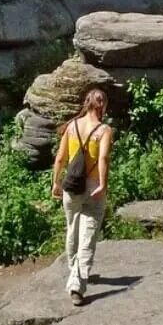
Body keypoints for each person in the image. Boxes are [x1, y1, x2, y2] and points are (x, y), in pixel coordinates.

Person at [50, 88, 114, 306]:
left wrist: (56, 182)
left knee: (72, 227)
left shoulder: (72, 126)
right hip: (93, 186)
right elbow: (103, 158)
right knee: (88, 234)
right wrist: (104, 184)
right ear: (102, 105)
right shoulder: (104, 130)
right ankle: (76, 285)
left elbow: (60, 158)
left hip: (72, 184)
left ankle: (73, 271)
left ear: (86, 103)